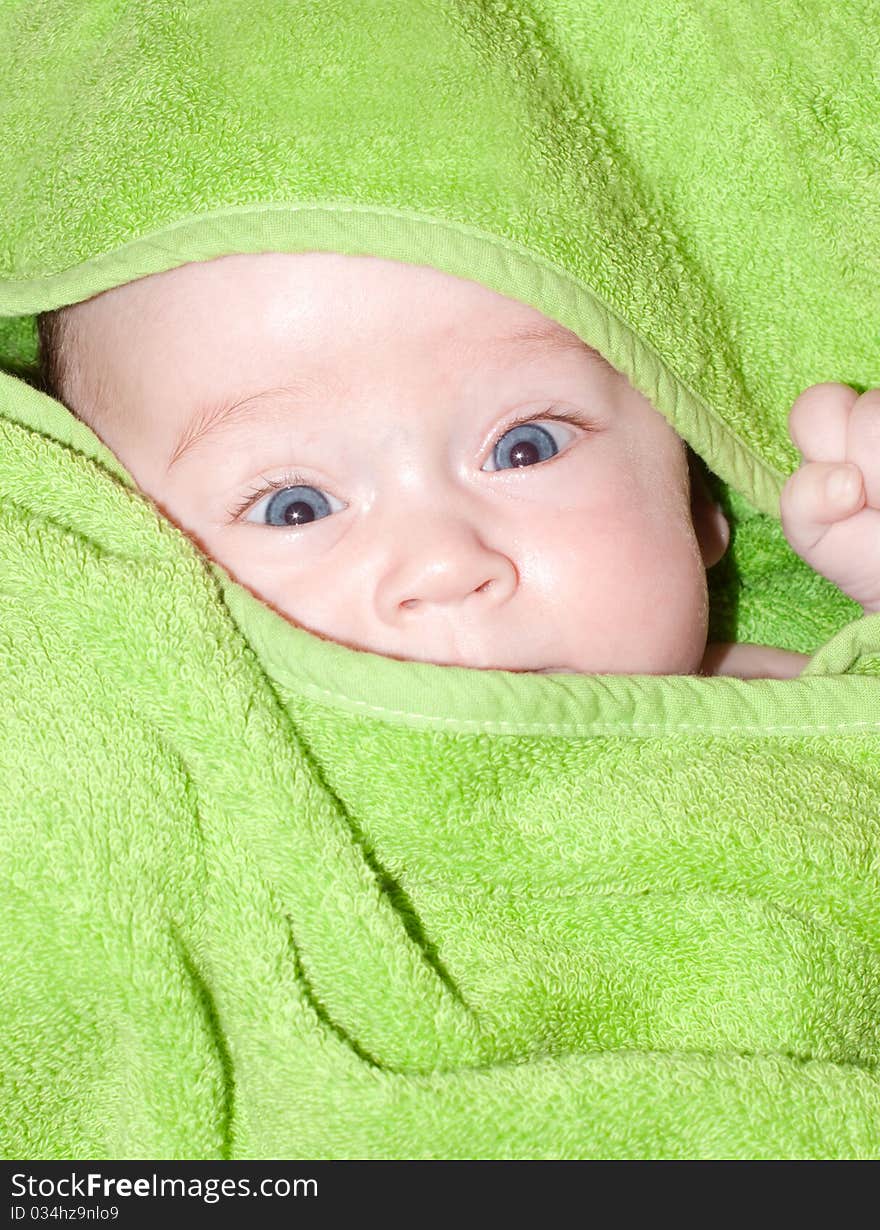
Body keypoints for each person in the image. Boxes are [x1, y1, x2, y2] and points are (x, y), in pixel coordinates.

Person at [36, 250, 879, 680]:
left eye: (526, 448)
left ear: (694, 503)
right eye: (294, 506)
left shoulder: (781, 706)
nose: (443, 564)